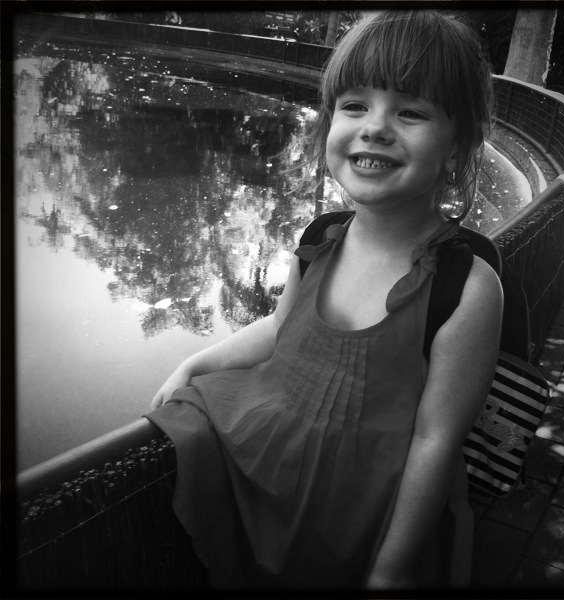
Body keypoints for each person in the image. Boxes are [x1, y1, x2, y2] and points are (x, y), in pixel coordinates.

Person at [147, 9, 502, 590]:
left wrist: (391, 570)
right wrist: (195, 363)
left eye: (410, 112)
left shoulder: (465, 287)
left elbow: (436, 440)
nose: (375, 127)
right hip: (276, 481)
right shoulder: (320, 241)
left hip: (372, 521)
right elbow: (279, 328)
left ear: (458, 148)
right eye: (354, 105)